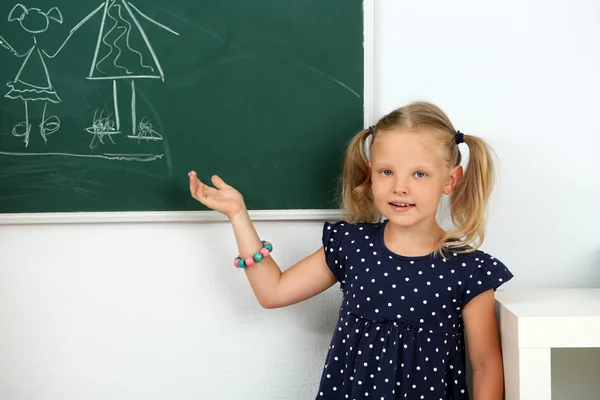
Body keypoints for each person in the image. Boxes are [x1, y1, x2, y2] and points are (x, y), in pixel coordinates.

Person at [188, 101, 514, 400]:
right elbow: (272, 292)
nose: (400, 186)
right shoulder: (352, 245)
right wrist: (238, 215)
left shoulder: (470, 270)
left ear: (451, 179)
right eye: (387, 171)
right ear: (370, 174)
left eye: (419, 174)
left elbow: (486, 365)